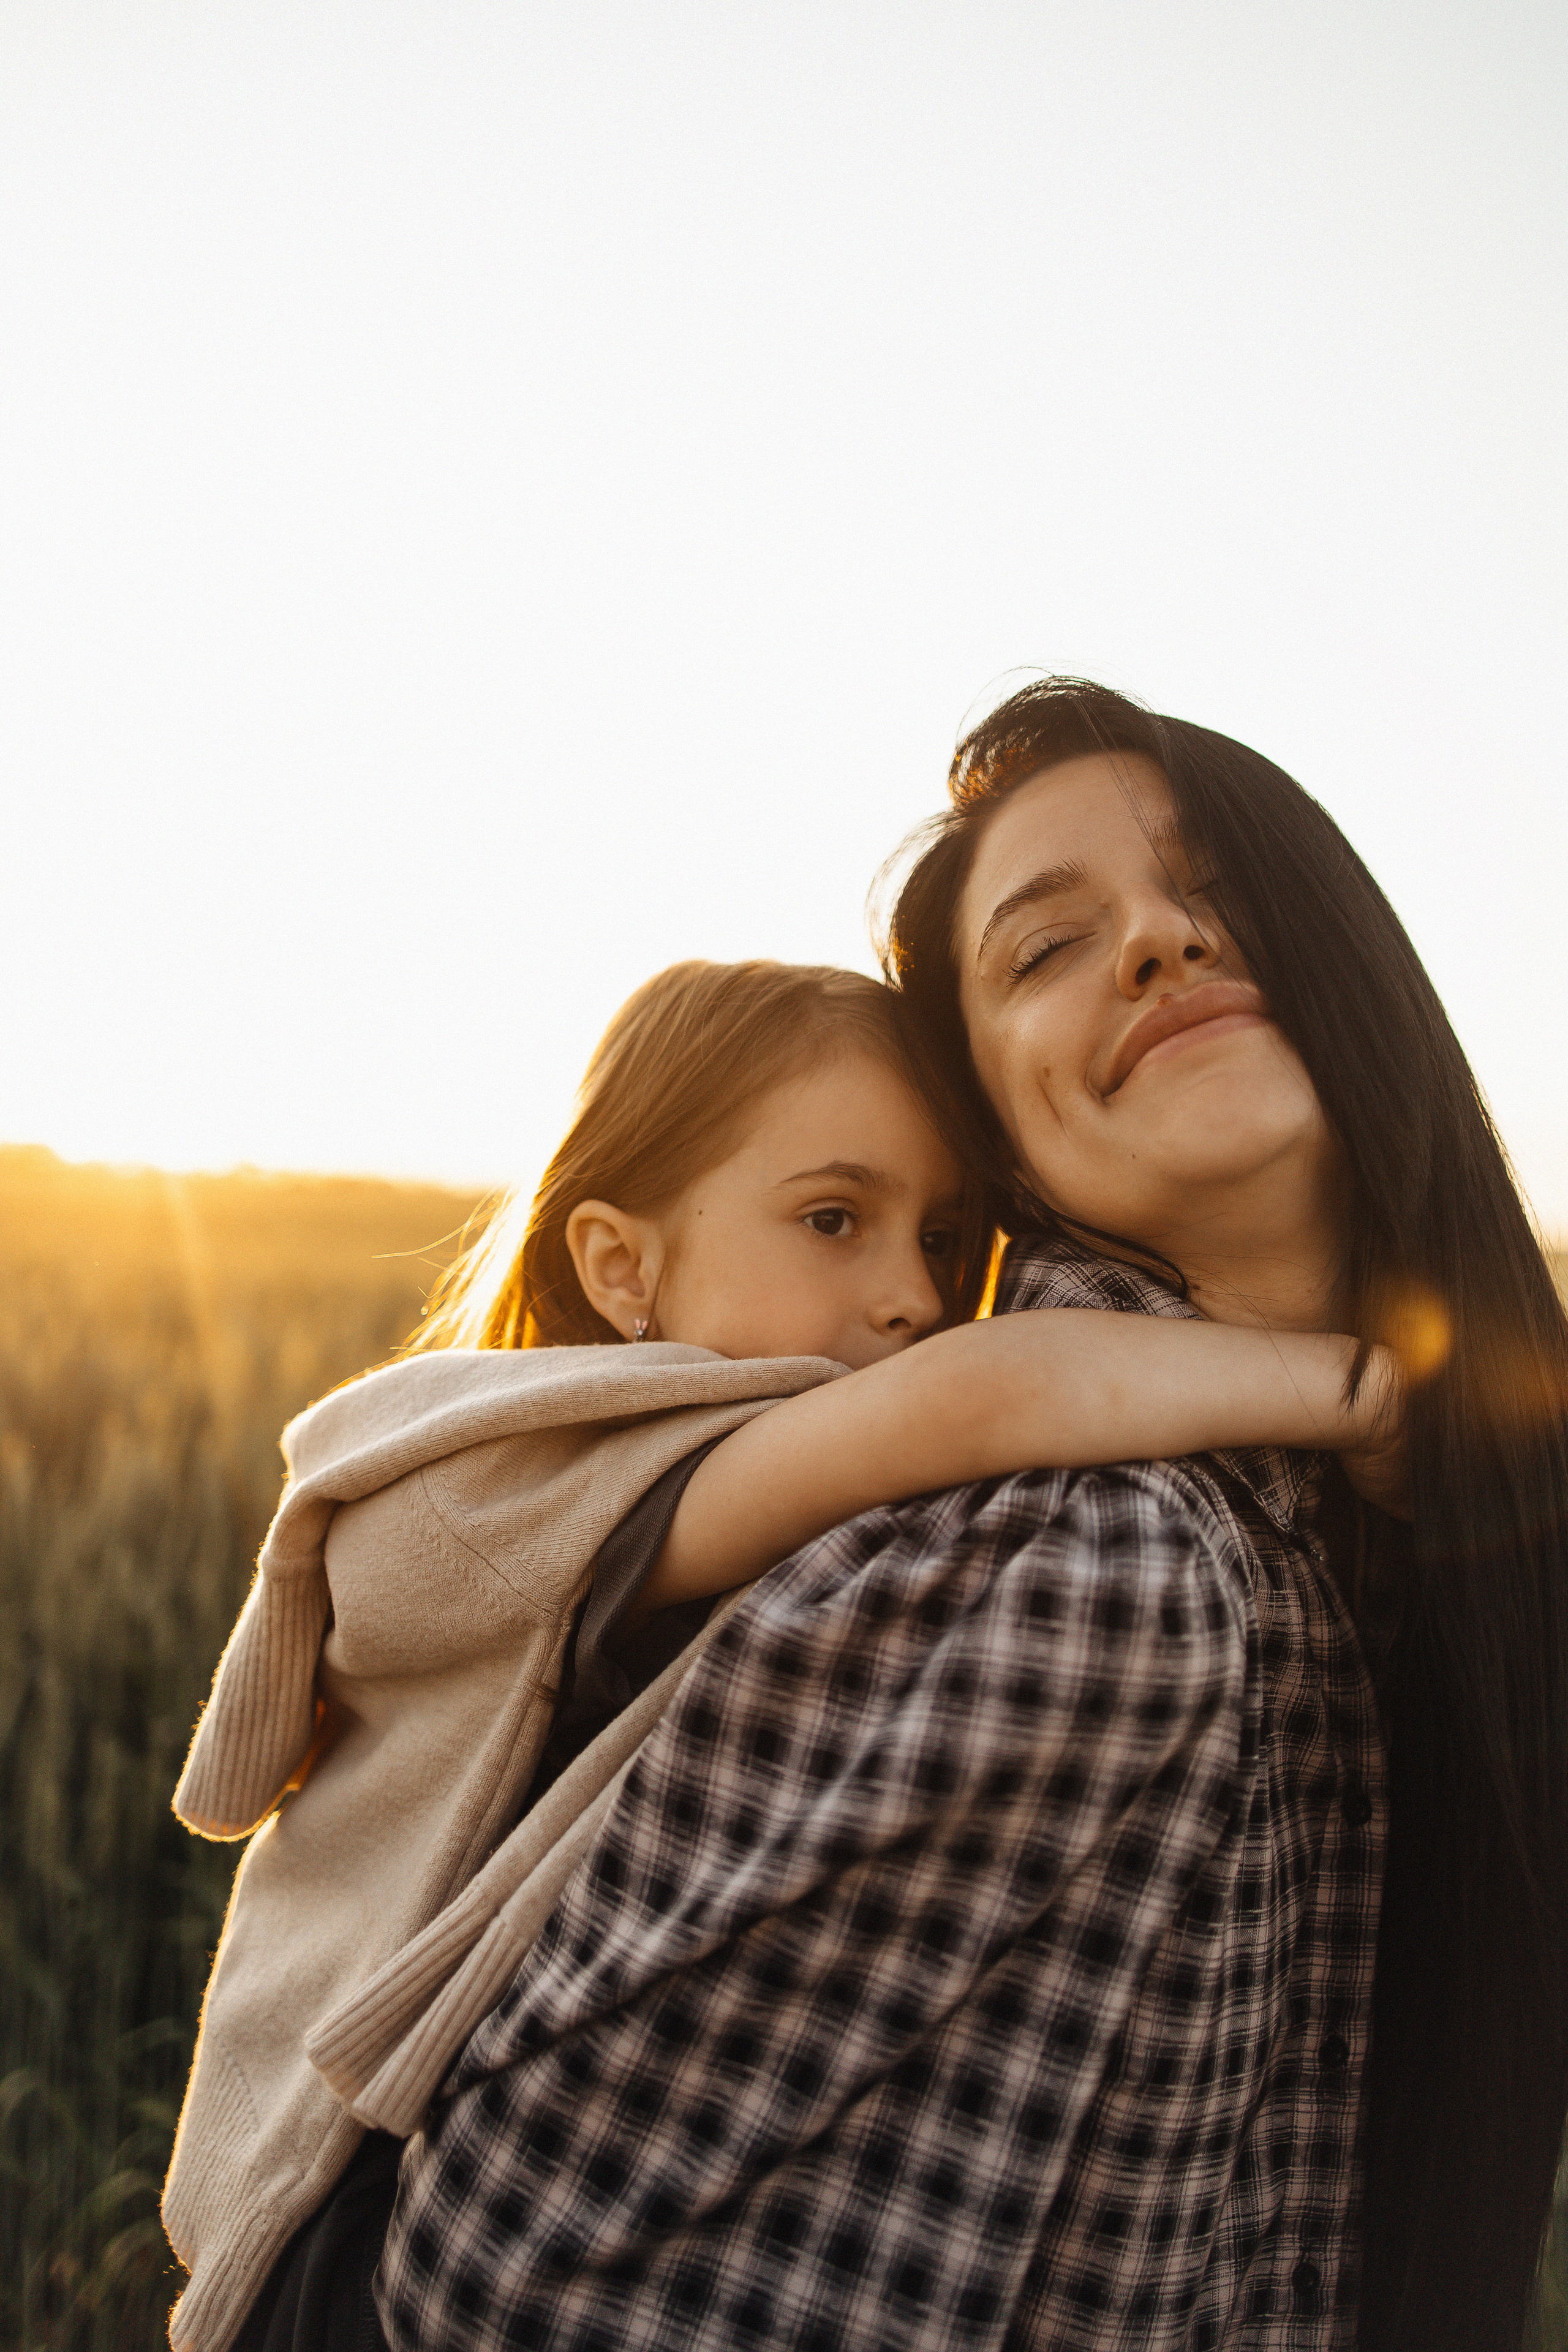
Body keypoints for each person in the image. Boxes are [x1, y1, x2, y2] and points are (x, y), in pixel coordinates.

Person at [379, 680, 1568, 2352]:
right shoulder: (1109, 1568)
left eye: (1211, 881)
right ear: (1001, 1145)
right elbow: (519, 2280)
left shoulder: (1340, 1538)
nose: (1157, 939)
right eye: (1047, 946)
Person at [163, 957, 1393, 2352]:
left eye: (944, 1239)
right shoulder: (524, 1476)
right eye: (831, 1218)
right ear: (624, 1268)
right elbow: (990, 1392)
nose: (911, 1300)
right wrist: (1359, 1390)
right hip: (345, 2238)